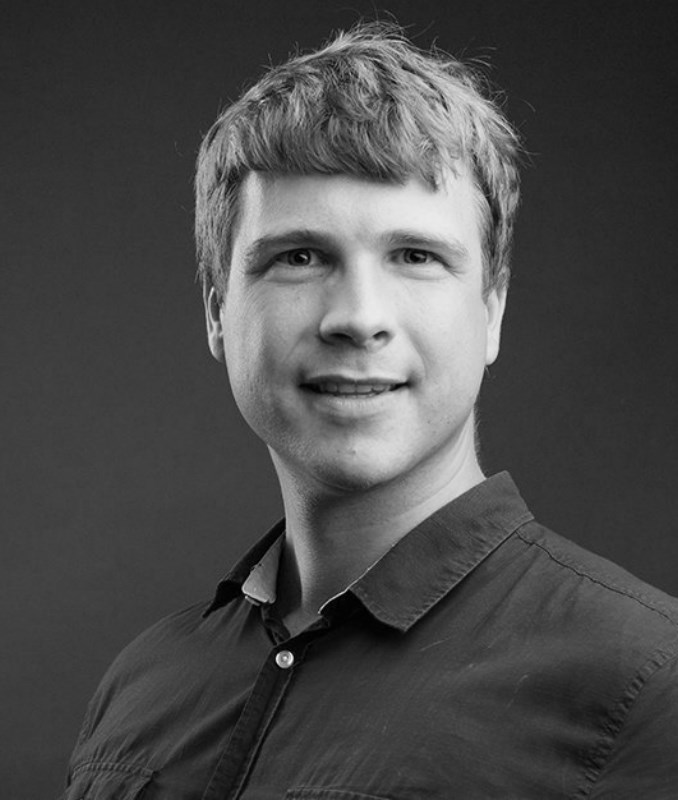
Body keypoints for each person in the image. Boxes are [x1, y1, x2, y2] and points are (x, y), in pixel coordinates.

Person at [62, 22, 678, 799]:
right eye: (299, 257)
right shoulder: (141, 685)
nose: (358, 317)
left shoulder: (644, 684)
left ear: (492, 308)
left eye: (416, 257)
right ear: (218, 311)